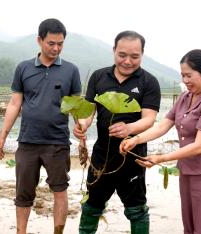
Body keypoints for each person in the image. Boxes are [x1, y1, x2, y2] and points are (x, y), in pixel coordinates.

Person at [120, 49, 201, 234]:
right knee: (190, 227)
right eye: (182, 75)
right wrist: (136, 139)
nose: (185, 81)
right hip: (187, 170)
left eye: (189, 75)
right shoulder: (185, 98)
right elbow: (163, 126)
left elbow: (199, 146)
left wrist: (161, 158)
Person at [0, 18, 81, 234]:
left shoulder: (71, 70)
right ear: (39, 40)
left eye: (60, 44)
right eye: (51, 43)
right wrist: (2, 136)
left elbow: (76, 106)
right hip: (28, 142)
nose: (56, 48)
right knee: (23, 193)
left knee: (60, 190)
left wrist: (82, 130)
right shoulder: (23, 68)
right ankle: (21, 231)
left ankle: (58, 231)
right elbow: (15, 103)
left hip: (57, 143)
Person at [73, 30, 161, 234]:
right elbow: (89, 110)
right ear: (114, 51)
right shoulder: (98, 76)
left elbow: (149, 118)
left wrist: (129, 128)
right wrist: (83, 125)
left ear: (142, 54)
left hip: (132, 154)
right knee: (92, 205)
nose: (128, 61)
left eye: (134, 56)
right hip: (102, 154)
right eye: (122, 55)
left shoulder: (149, 81)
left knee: (136, 208)